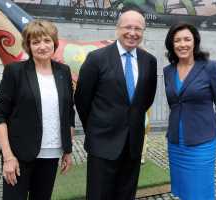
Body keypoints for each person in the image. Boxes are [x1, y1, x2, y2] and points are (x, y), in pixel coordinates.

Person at [74, 6, 157, 200]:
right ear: (117, 29)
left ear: (143, 32)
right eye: (128, 27)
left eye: (138, 29)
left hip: (133, 145)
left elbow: (146, 100)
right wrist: (96, 127)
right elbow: (82, 99)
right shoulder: (96, 59)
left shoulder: (149, 61)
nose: (132, 33)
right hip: (102, 143)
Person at [0, 20, 75, 200]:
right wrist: (8, 157)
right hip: (19, 155)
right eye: (35, 42)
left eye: (46, 40)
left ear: (54, 42)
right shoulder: (15, 71)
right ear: (28, 46)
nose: (42, 46)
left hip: (51, 153)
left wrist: (67, 150)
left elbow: (69, 112)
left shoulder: (64, 71)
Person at [163, 22, 216, 200]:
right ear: (172, 44)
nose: (182, 44)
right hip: (176, 143)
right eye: (177, 40)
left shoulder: (209, 67)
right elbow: (175, 104)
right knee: (183, 190)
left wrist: (211, 133)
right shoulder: (168, 71)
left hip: (202, 144)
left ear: (195, 42)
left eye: (187, 39)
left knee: (200, 192)